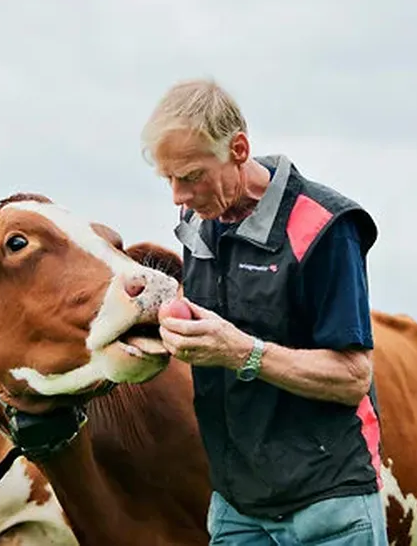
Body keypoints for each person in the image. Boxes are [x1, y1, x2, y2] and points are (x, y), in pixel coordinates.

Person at [141, 77, 389, 545]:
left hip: (328, 505)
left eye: (191, 175)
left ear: (238, 148)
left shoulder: (324, 226)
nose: (177, 196)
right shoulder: (197, 224)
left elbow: (352, 376)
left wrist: (241, 352)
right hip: (238, 509)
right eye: (168, 179)